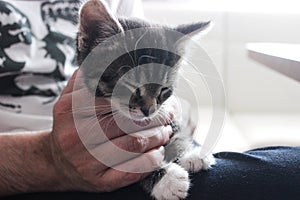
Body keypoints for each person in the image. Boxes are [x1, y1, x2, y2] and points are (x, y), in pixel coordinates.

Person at [0, 1, 299, 200]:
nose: (148, 107)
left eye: (161, 94)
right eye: (134, 90)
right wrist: (49, 158)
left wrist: (175, 127)